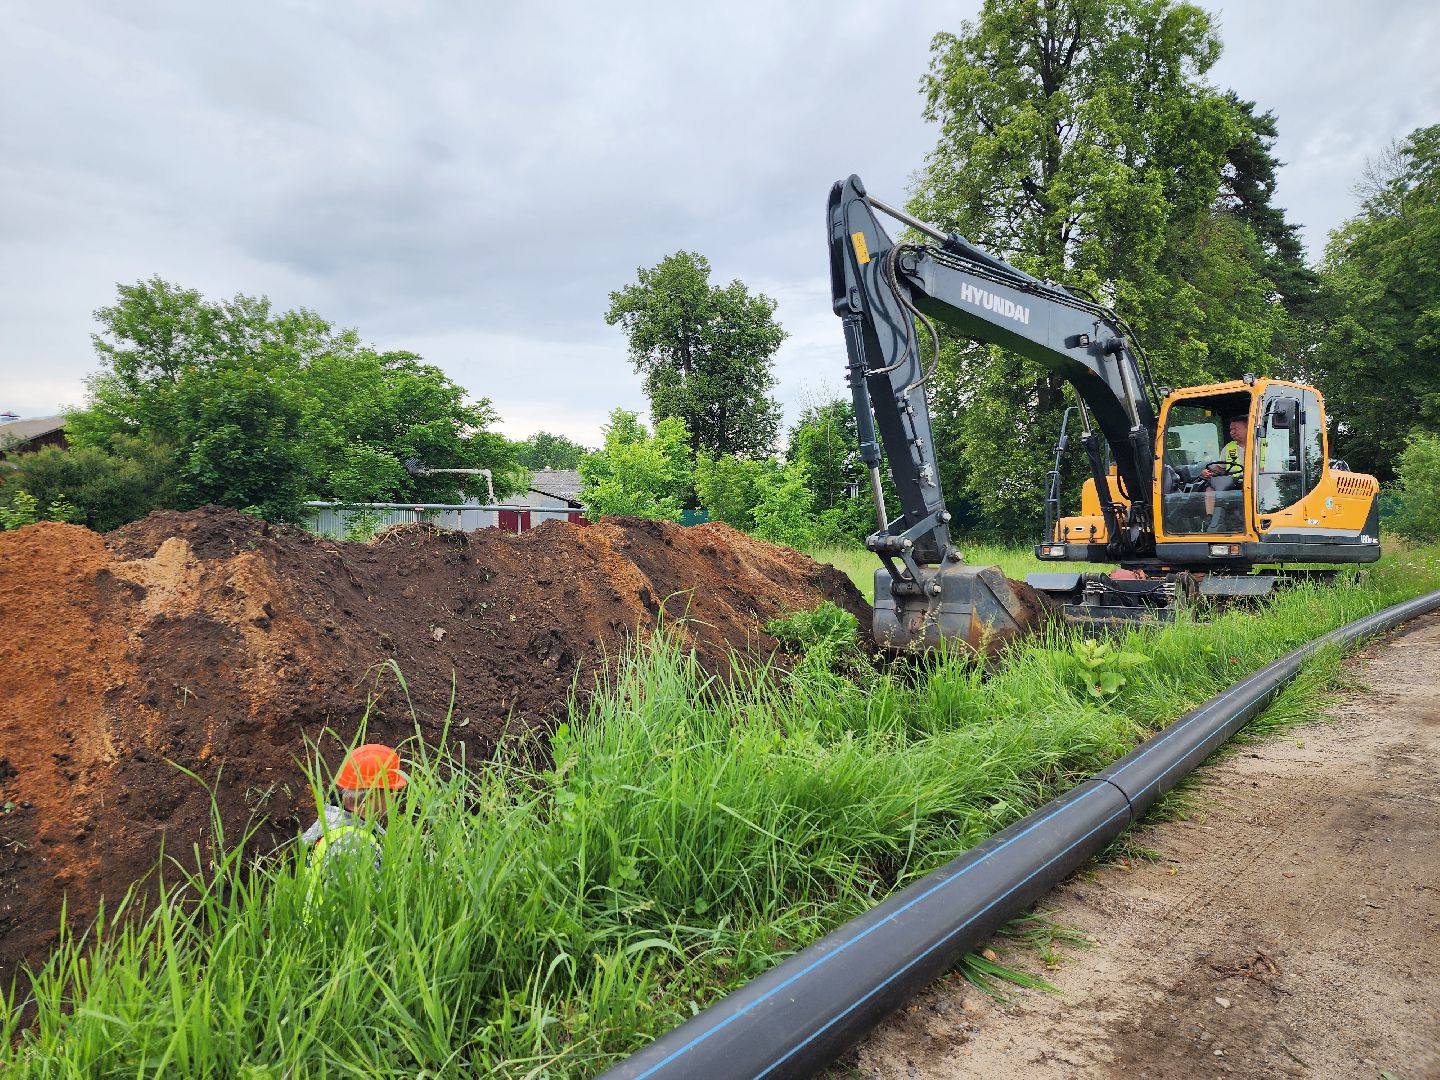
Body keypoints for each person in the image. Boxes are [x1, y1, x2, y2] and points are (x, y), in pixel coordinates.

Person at [300, 743, 406, 897]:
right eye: (392, 790)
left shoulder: (329, 827)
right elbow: (360, 914)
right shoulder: (354, 843)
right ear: (371, 795)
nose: (395, 796)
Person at [1199, 416, 1248, 526]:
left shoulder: (1262, 444)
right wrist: (1208, 471)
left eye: (1236, 429)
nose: (1232, 432)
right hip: (1234, 482)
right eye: (1231, 429)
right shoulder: (1229, 447)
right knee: (1210, 487)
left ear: (1248, 428)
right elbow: (1220, 467)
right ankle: (1210, 519)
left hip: (1255, 482)